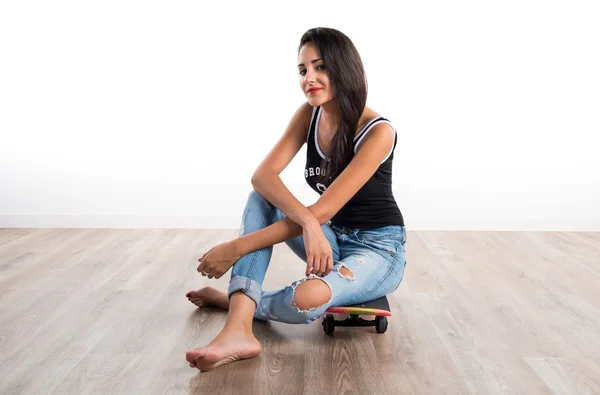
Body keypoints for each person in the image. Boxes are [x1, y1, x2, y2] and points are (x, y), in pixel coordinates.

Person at [185, 27, 407, 372]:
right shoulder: (310, 114)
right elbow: (263, 176)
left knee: (306, 299)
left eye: (320, 67)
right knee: (262, 199)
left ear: (344, 68)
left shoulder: (378, 131)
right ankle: (238, 329)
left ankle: (241, 303)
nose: (310, 79)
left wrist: (236, 247)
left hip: (378, 250)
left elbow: (324, 209)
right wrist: (308, 223)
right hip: (330, 235)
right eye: (303, 70)